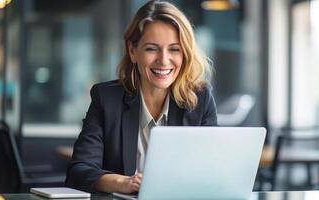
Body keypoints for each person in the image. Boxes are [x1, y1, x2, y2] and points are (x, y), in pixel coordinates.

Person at [65, 0, 217, 194]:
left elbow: (212, 171)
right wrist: (124, 183)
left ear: (185, 54)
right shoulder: (106, 99)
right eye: (152, 48)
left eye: (174, 49)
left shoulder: (200, 100)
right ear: (132, 51)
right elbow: (78, 172)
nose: (163, 60)